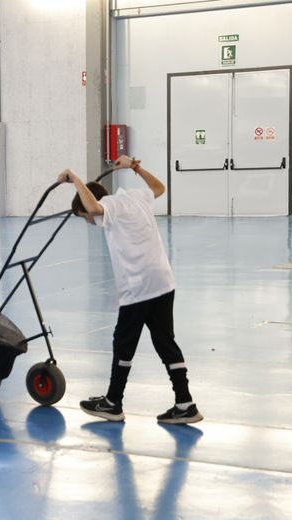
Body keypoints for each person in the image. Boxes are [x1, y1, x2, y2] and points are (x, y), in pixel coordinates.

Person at [57, 154, 202, 425]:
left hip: (139, 287)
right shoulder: (135, 196)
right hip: (162, 281)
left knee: (123, 344)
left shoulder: (108, 205)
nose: (87, 221)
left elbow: (94, 207)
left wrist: (74, 179)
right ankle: (185, 403)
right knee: (164, 342)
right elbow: (160, 188)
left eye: (83, 217)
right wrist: (136, 167)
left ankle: (113, 403)